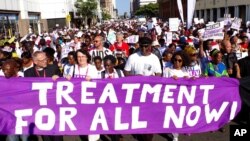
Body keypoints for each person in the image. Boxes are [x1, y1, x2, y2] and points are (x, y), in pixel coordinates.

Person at [24, 51, 62, 141]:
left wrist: (59, 78)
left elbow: (65, 83)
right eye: (43, 60)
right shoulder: (28, 73)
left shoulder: (54, 68)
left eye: (46, 59)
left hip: (54, 107)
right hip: (39, 108)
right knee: (45, 135)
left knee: (57, 135)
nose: (45, 61)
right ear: (35, 62)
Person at [2, 59, 28, 141]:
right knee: (12, 138)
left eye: (7, 69)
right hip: (9, 116)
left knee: (25, 138)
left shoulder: (25, 78)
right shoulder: (2, 81)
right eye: (3, 70)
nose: (5, 72)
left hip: (24, 114)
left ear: (15, 69)